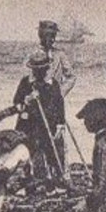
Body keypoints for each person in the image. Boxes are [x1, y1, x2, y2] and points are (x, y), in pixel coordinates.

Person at [12, 49, 67, 185]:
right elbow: (17, 103)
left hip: (49, 124)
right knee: (31, 151)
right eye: (36, 70)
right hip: (29, 124)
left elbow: (59, 104)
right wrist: (27, 100)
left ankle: (56, 178)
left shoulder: (52, 84)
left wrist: (61, 123)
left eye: (42, 69)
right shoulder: (26, 83)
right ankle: (32, 178)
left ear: (47, 68)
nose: (39, 72)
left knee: (52, 151)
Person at [37, 18, 76, 94]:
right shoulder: (33, 55)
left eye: (53, 36)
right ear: (41, 35)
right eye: (48, 36)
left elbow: (72, 77)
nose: (52, 39)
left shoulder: (60, 55)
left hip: (55, 101)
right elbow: (27, 79)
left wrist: (60, 93)